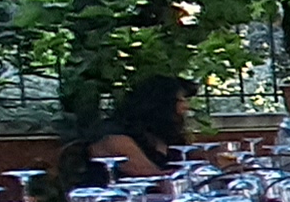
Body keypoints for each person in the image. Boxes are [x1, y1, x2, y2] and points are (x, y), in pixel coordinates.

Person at [64, 74, 200, 186]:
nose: (186, 107)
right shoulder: (115, 137)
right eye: (181, 100)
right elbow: (157, 180)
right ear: (161, 104)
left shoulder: (164, 137)